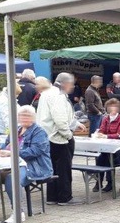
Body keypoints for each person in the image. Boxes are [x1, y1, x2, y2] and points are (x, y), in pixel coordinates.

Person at [37, 72, 87, 205]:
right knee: (63, 169)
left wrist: (76, 123)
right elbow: (59, 119)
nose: (72, 87)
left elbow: (60, 115)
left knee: (52, 168)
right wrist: (68, 135)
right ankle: (65, 197)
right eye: (72, 84)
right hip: (59, 138)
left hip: (47, 137)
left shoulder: (47, 93)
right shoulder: (58, 96)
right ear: (65, 83)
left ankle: (52, 197)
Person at [0, 105, 53, 223]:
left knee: (12, 179)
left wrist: (11, 153)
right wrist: (2, 150)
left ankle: (18, 213)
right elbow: (6, 146)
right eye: (22, 115)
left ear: (34, 118)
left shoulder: (39, 132)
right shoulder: (15, 130)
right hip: (9, 165)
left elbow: (35, 152)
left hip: (33, 166)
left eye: (28, 116)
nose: (24, 118)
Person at [94, 98, 120, 193]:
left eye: (115, 107)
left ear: (118, 108)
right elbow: (102, 130)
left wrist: (106, 136)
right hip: (108, 147)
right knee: (100, 158)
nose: (112, 109)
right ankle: (99, 182)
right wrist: (99, 134)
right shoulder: (105, 118)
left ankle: (110, 183)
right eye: (110, 107)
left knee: (109, 159)